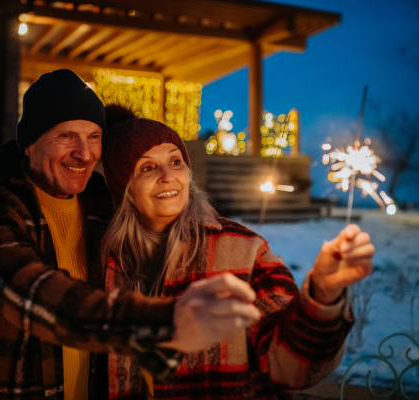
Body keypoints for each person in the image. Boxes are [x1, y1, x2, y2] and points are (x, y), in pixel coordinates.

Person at [0, 70, 260, 400]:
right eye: (66, 136)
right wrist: (157, 323)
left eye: (93, 137)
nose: (85, 153)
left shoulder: (99, 205)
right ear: (30, 145)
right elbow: (28, 291)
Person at [99, 104, 375, 399]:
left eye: (176, 161)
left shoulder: (243, 250)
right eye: (148, 167)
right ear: (124, 187)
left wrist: (322, 295)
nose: (168, 176)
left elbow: (293, 365)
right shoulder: (107, 264)